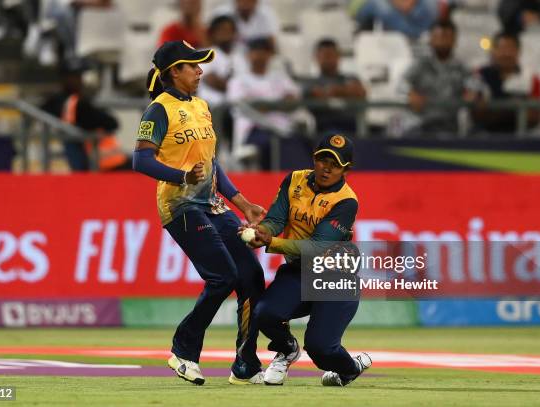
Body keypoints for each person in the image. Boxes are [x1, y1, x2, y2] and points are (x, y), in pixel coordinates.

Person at [132, 40, 266, 385]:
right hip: (180, 205)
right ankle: (183, 351)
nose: (200, 70)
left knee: (251, 276)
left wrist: (243, 203)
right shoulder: (158, 110)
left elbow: (211, 164)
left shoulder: (202, 106)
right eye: (192, 65)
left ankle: (245, 364)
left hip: (212, 204)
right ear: (174, 71)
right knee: (222, 276)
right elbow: (141, 159)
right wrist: (181, 176)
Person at [244, 133, 372, 386]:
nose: (327, 169)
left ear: (346, 169)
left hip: (336, 278)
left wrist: (272, 242)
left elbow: (317, 247)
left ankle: (350, 367)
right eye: (323, 160)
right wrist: (265, 231)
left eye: (335, 164)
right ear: (314, 157)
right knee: (264, 313)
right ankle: (287, 349)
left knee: (321, 349)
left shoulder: (346, 201)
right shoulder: (295, 180)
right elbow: (277, 219)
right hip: (299, 272)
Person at [226, 37, 312, 169]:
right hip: (254, 130)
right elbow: (245, 106)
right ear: (248, 55)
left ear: (269, 55)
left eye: (263, 52)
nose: (260, 56)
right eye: (256, 51)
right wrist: (279, 105)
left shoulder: (279, 77)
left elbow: (293, 99)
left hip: (284, 128)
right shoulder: (238, 80)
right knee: (273, 145)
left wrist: (268, 105)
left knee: (303, 144)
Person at [41, 58, 127, 171]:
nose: (78, 80)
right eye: (74, 76)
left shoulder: (80, 99)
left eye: (79, 75)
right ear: (64, 78)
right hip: (95, 160)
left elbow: (112, 122)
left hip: (106, 157)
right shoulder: (71, 102)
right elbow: (107, 122)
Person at [399, 20, 472, 136]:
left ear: (454, 40)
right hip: (421, 123)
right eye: (438, 36)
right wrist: (410, 93)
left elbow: (475, 85)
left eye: (447, 36)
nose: (442, 40)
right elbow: (401, 84)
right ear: (431, 39)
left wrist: (474, 92)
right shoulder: (420, 65)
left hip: (451, 126)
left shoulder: (462, 67)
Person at [470, 32, 540, 135]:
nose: (506, 54)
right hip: (485, 137)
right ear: (493, 51)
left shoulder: (531, 78)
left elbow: (534, 117)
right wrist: (515, 109)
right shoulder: (479, 75)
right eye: (502, 49)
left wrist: (494, 108)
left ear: (518, 51)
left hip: (522, 139)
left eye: (511, 49)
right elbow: (476, 113)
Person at [303, 39, 367, 135]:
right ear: (317, 57)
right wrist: (345, 92)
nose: (330, 59)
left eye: (333, 55)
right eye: (326, 56)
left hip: (352, 129)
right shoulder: (311, 82)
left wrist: (334, 91)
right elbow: (314, 94)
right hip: (323, 131)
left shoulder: (351, 77)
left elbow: (360, 92)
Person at [353, 0, 439, 40]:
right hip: (363, 4)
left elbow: (407, 5)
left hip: (407, 10)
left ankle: (418, 34)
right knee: (383, 8)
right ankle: (412, 34)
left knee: (430, 4)